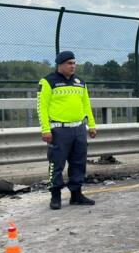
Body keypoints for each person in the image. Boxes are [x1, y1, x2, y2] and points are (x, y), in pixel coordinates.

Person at [38, 51, 98, 210]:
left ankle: (76, 195)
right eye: (69, 63)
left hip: (78, 129)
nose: (73, 66)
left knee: (79, 163)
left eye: (74, 63)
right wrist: (46, 129)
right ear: (60, 65)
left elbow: (86, 105)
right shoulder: (47, 82)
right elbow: (42, 108)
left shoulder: (80, 82)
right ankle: (55, 196)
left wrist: (91, 125)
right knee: (56, 164)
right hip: (59, 130)